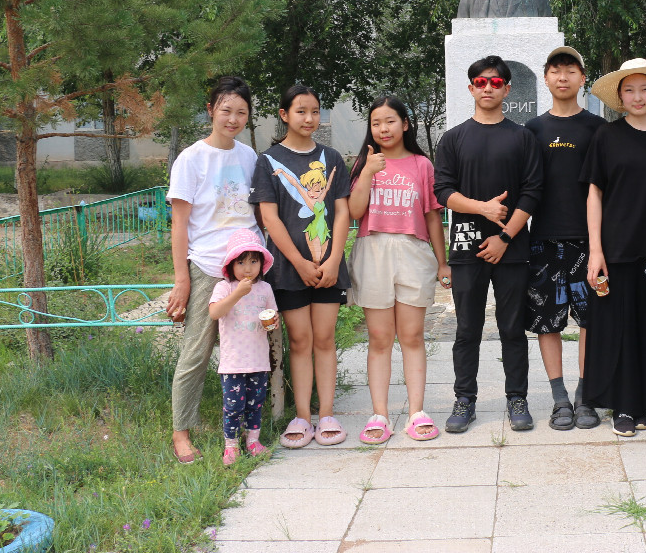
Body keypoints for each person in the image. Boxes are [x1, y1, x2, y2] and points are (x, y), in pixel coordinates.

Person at [434, 56, 544, 433]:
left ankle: (518, 397)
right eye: (480, 82)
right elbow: (443, 191)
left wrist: (504, 236)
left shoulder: (522, 137)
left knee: (513, 328)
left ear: (507, 89)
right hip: (465, 249)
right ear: (471, 88)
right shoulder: (453, 138)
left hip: (511, 249)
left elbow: (532, 193)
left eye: (496, 83)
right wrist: (482, 208)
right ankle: (464, 400)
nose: (487, 88)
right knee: (467, 329)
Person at [582, 58, 646, 437]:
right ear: (619, 97)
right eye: (629, 90)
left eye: (645, 89)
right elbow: (594, 193)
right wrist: (596, 250)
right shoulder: (606, 136)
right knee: (619, 328)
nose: (637, 97)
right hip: (618, 247)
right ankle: (623, 407)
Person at [250, 84, 352, 448]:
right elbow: (270, 219)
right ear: (284, 115)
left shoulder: (333, 157)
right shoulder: (268, 161)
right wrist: (300, 263)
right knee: (300, 339)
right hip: (289, 269)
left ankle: (326, 413)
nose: (309, 119)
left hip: (329, 265)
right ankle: (303, 416)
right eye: (300, 111)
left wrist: (334, 258)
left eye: (314, 111)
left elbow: (343, 213)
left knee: (324, 339)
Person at [166, 75, 261, 464]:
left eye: (241, 112)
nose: (233, 119)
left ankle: (254, 425)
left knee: (254, 345)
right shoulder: (191, 159)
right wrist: (182, 279)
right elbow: (179, 224)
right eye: (226, 110)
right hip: (208, 266)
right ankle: (180, 432)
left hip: (251, 265)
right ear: (210, 110)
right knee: (197, 351)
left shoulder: (249, 156)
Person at [347, 96, 450, 443]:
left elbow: (432, 215)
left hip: (413, 251)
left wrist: (442, 262)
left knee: (411, 336)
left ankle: (416, 411)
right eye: (376, 123)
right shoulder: (366, 164)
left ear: (405, 124)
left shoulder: (422, 165)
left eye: (390, 121)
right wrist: (366, 173)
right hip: (373, 249)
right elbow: (356, 212)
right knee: (379, 338)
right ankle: (379, 414)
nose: (383, 129)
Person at [524, 46, 606, 430]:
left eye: (570, 70)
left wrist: (600, 246)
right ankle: (559, 398)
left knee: (591, 320)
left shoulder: (597, 128)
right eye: (555, 70)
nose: (562, 77)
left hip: (588, 244)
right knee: (548, 322)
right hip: (542, 242)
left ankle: (585, 395)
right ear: (545, 78)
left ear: (582, 78)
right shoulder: (533, 130)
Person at [208, 229, 278, 465]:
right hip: (233, 362)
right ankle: (231, 445)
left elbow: (272, 315)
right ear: (231, 264)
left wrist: (273, 322)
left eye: (253, 261)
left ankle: (253, 441)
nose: (248, 268)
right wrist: (237, 293)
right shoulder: (224, 288)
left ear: (261, 263)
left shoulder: (265, 289)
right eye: (241, 262)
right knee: (233, 406)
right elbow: (215, 312)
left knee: (255, 403)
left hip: (258, 360)